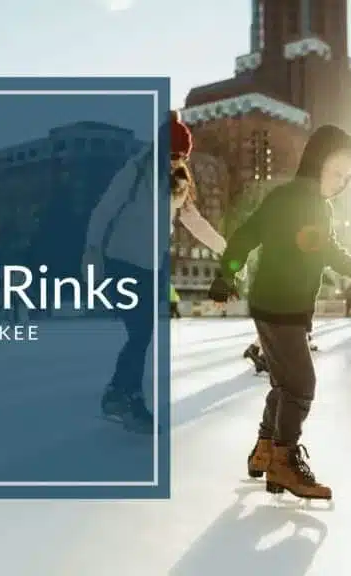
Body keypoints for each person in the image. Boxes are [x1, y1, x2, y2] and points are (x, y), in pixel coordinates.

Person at [209, 125, 351, 500]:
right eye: (336, 172)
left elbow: (331, 250)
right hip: (277, 305)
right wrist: (226, 275)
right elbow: (245, 235)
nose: (341, 182)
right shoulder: (286, 200)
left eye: (347, 177)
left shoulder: (322, 208)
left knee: (284, 385)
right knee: (302, 385)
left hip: (289, 308)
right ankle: (283, 461)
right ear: (317, 162)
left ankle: (266, 449)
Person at [84, 111, 227, 433]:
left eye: (181, 156)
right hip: (121, 260)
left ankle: (117, 394)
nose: (176, 161)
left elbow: (195, 222)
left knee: (142, 332)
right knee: (141, 331)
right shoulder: (136, 170)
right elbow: (104, 209)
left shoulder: (178, 183)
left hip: (151, 265)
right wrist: (91, 251)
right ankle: (127, 397)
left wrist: (226, 249)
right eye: (172, 154)